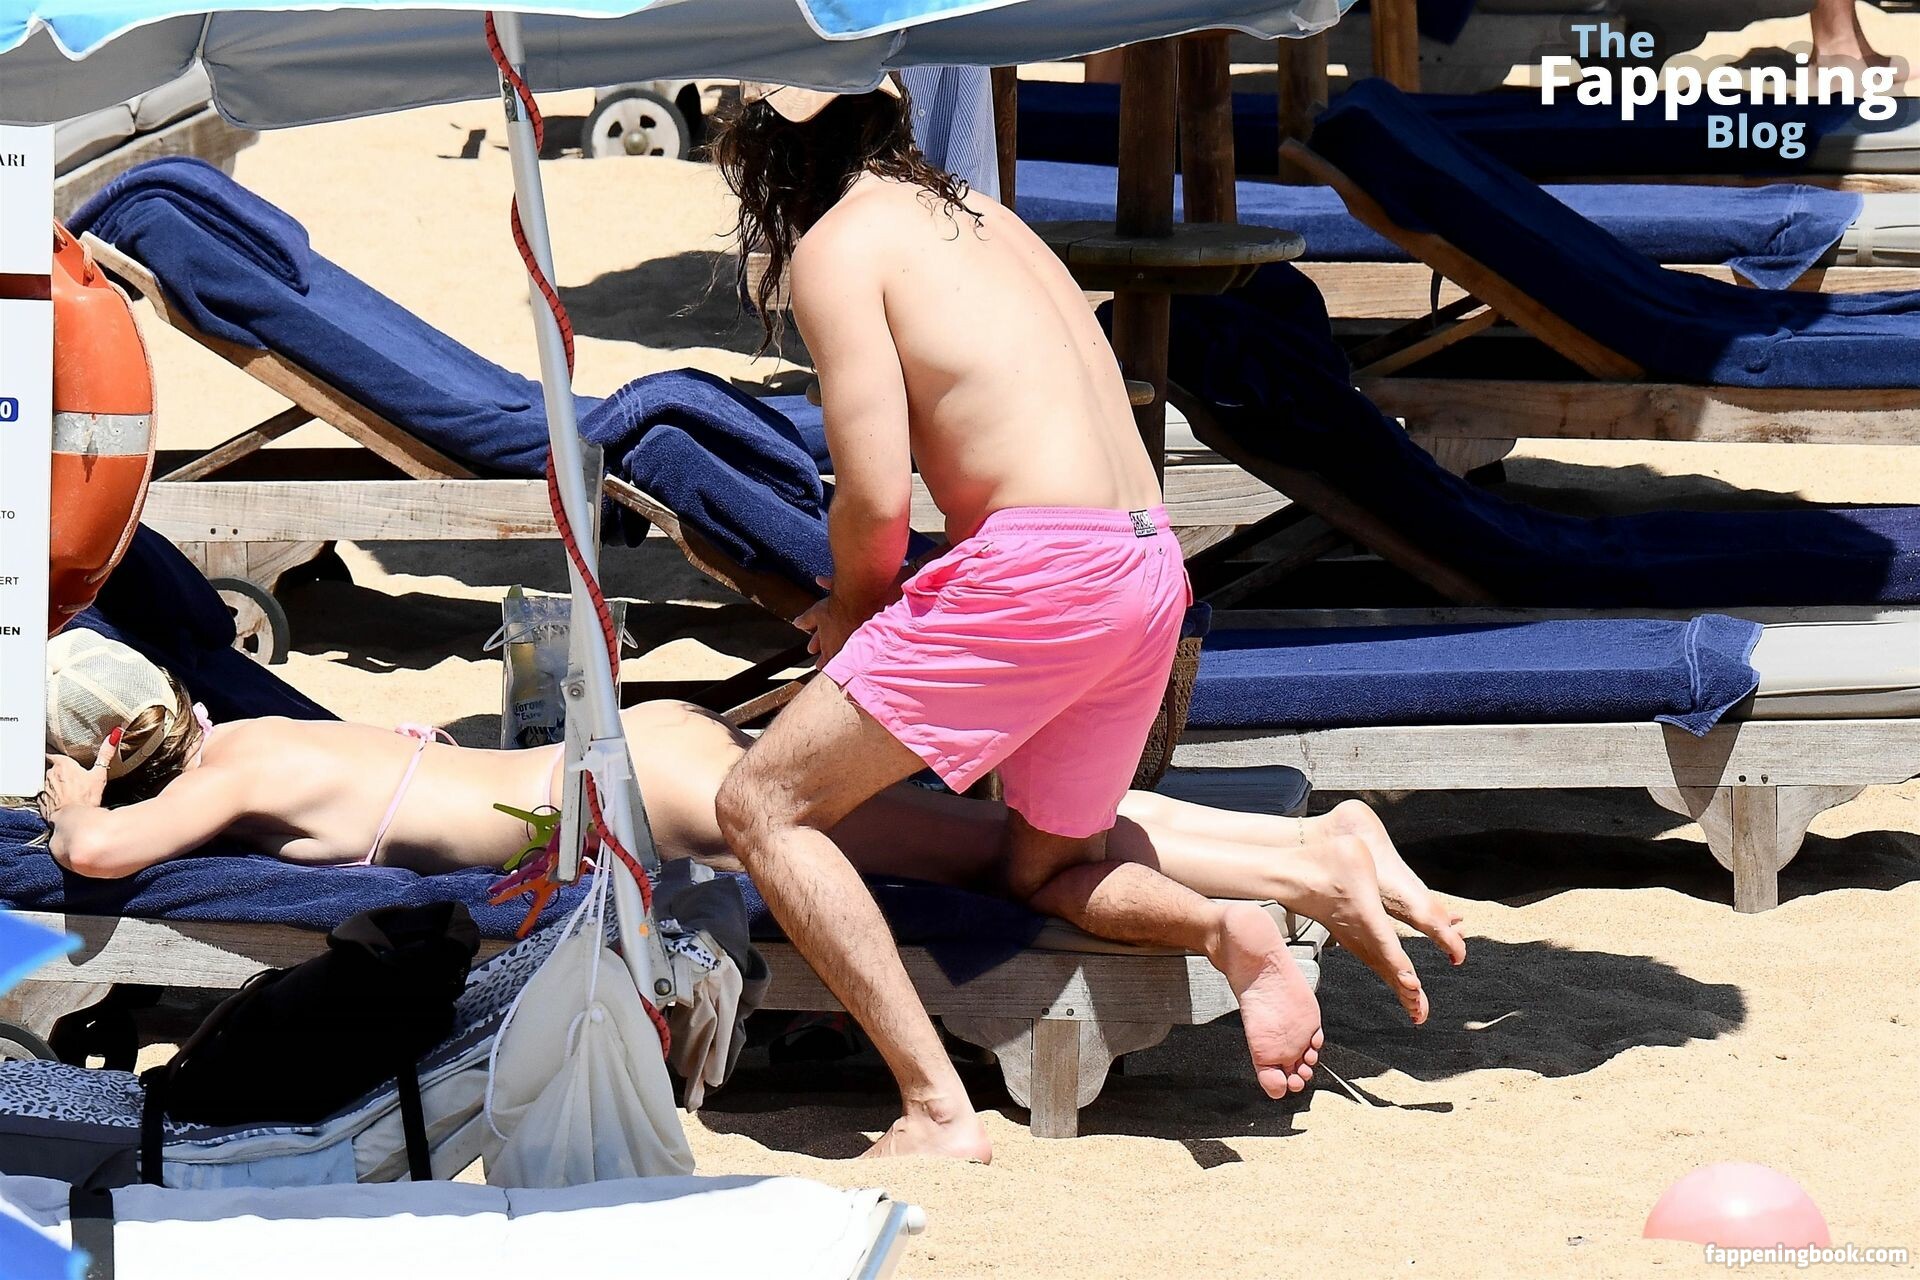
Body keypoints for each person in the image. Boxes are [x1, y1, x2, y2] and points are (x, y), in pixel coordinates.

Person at [704, 79, 1456, 1163]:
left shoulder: (840, 244)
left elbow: (874, 495)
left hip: (1042, 568)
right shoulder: (990, 219)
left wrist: (853, 610)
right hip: (1145, 560)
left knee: (762, 804)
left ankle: (934, 1108)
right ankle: (1227, 926)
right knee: (1047, 870)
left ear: (776, 150)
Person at [34, 644, 1464, 1018]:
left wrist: (78, 803)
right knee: (995, 827)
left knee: (994, 850)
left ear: (116, 742)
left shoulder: (235, 770)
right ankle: (1309, 844)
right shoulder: (261, 731)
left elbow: (95, 859)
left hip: (646, 793)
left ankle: (1305, 862)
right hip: (641, 753)